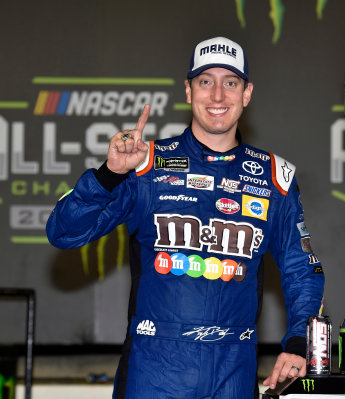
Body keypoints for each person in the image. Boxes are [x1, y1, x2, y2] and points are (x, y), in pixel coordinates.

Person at [46, 36, 325, 399]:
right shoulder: (146, 163)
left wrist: (298, 343)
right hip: (154, 368)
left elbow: (302, 270)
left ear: (247, 93)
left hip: (233, 370)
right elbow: (63, 233)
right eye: (206, 81)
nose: (218, 96)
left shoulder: (275, 177)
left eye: (231, 83)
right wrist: (109, 174)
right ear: (189, 91)